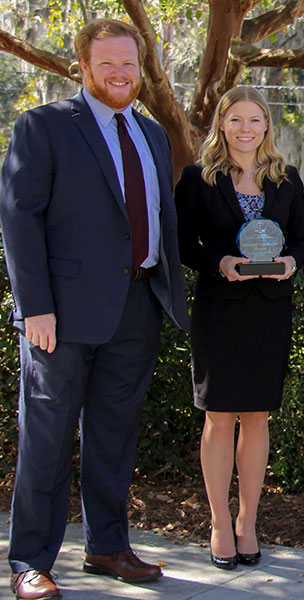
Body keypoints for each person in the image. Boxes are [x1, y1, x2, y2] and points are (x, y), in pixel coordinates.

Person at [0, 18, 189, 599]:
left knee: (113, 436)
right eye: (107, 64)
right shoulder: (46, 126)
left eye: (128, 64)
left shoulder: (152, 134)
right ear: (82, 67)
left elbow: (160, 217)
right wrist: (35, 307)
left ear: (141, 68)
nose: (119, 74)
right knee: (48, 437)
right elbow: (18, 217)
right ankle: (31, 560)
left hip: (138, 304)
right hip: (61, 314)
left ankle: (107, 546)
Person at [174, 86, 304, 569]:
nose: (246, 129)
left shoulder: (286, 177)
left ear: (267, 126)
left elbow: (301, 237)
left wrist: (293, 262)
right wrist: (220, 261)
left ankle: (248, 522)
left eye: (255, 120)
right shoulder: (198, 178)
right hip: (219, 311)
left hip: (269, 311)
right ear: (222, 125)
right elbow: (184, 243)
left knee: (256, 418)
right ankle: (217, 521)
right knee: (218, 417)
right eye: (236, 120)